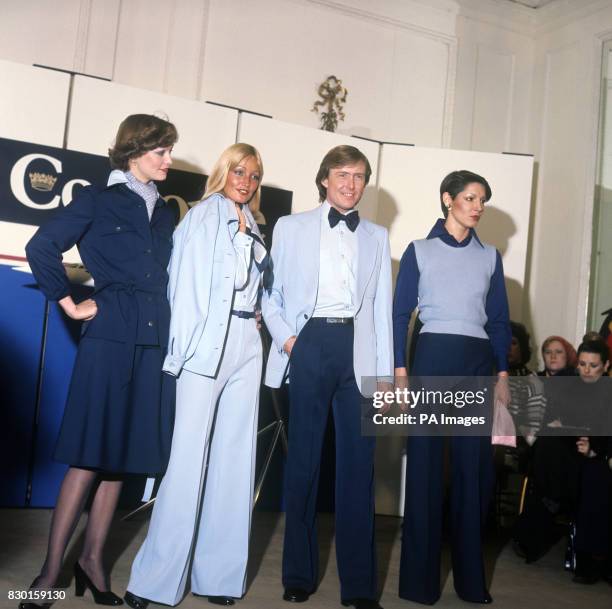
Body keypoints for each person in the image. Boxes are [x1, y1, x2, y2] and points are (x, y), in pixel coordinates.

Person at [22, 114, 178, 608]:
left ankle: (93, 563)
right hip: (110, 337)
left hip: (155, 340)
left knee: (121, 461)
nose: (169, 160)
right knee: (89, 456)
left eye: (170, 151)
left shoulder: (167, 213)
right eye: (161, 152)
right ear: (135, 152)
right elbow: (41, 245)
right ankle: (47, 575)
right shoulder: (97, 199)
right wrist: (69, 302)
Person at [124, 143, 266, 609]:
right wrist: (179, 355)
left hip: (248, 344)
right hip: (205, 347)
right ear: (223, 172)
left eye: (254, 175)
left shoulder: (257, 227)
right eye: (239, 171)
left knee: (235, 462)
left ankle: (219, 578)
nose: (245, 181)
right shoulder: (203, 218)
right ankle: (153, 582)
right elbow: (182, 288)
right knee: (186, 463)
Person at [262, 145, 393, 609]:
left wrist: (386, 385)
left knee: (359, 473)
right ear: (324, 179)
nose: (350, 183)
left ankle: (359, 589)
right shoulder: (290, 227)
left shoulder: (378, 236)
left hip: (359, 352)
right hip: (310, 344)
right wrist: (290, 341)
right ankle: (298, 576)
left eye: (359, 176)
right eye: (342, 174)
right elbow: (270, 294)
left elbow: (382, 313)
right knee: (304, 467)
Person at [393, 170, 511, 605]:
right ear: (447, 200)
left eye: (483, 199)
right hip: (431, 361)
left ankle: (470, 584)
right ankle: (418, 586)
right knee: (423, 472)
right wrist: (401, 371)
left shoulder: (491, 257)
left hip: (477, 364)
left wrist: (502, 375)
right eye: (469, 197)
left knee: (472, 474)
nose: (477, 206)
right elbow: (399, 313)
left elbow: (498, 321)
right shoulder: (419, 251)